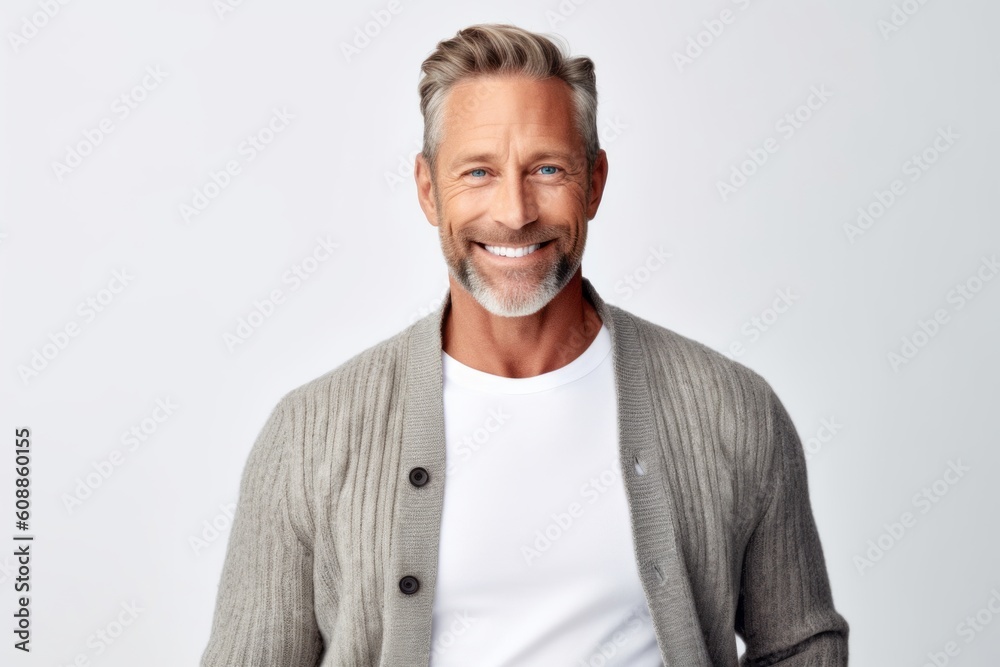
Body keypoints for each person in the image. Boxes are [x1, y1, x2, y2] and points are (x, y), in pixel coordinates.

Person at [201, 23, 849, 666]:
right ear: (428, 190)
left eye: (547, 168)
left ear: (594, 182)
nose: (514, 212)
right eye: (478, 171)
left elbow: (801, 644)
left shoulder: (732, 407)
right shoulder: (310, 432)